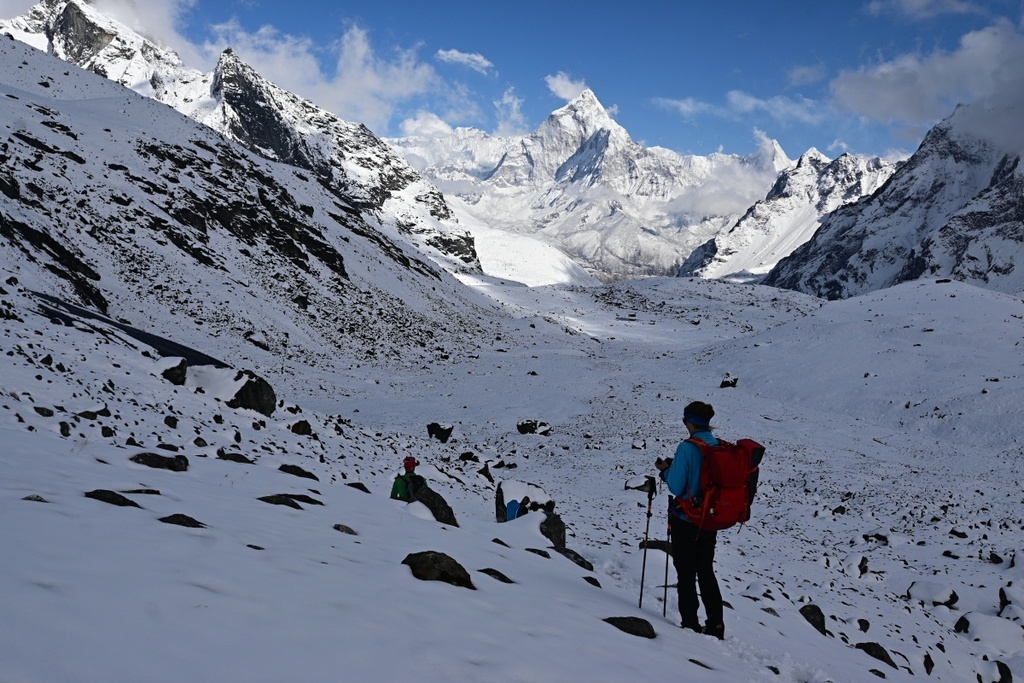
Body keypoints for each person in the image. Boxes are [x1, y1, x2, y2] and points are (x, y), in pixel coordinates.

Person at [655, 401, 726, 640]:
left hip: (686, 519)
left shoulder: (687, 448)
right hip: (709, 519)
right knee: (706, 570)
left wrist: (666, 470)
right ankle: (716, 625)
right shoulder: (717, 445)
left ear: (688, 421)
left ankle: (690, 624)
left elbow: (675, 486)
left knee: (686, 572)